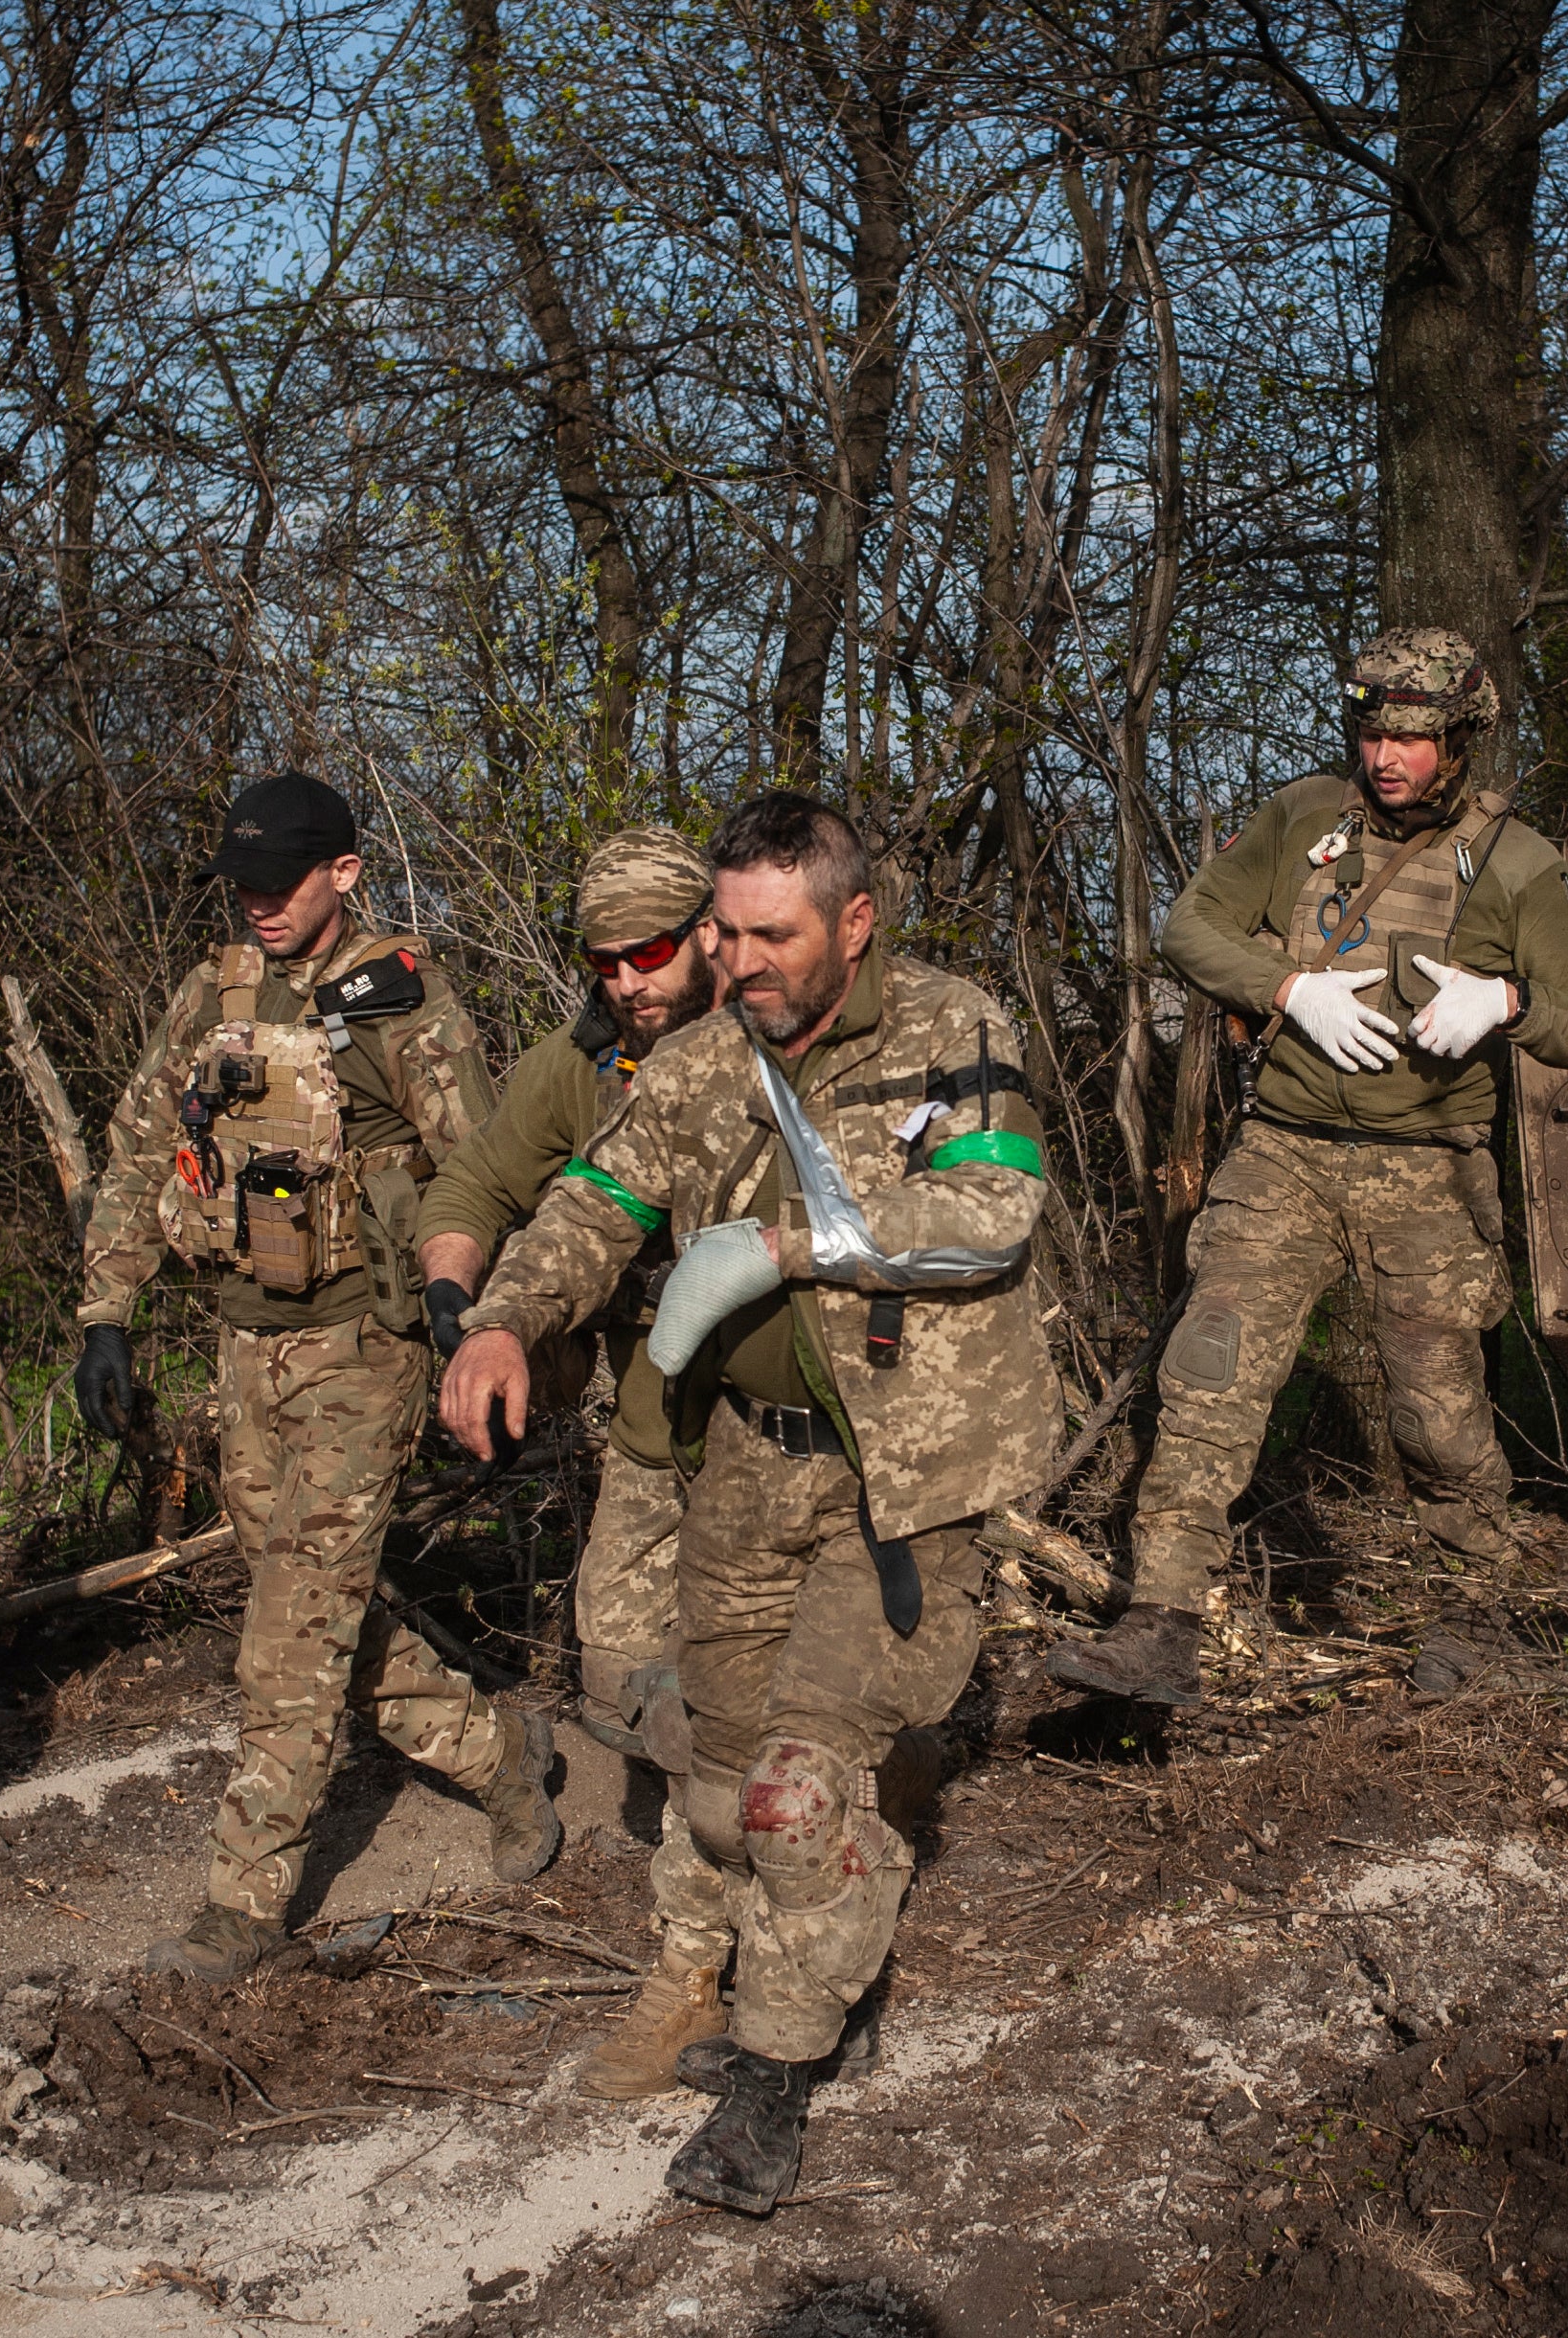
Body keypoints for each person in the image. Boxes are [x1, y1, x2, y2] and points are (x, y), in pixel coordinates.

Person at [438, 793, 1053, 2213]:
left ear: (854, 922)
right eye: (724, 930)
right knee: (716, 1792)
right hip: (748, 1466)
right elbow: (595, 1200)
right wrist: (501, 1320)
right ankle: (811, 1968)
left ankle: (775, 2078)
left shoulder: (954, 1032)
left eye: (770, 934)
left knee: (793, 1791)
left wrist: (784, 1245)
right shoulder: (704, 1061)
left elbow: (988, 1216)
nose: (740, 959)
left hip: (902, 1479)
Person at [1049, 626, 1568, 1710]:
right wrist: (1285, 988)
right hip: (1286, 1153)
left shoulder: (1516, 863)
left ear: (1461, 741)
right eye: (1371, 731)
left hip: (1428, 1171)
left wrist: (1507, 1004)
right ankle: (1159, 1619)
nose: (1387, 756)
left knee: (1440, 1420)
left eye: (1413, 737)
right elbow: (1190, 928)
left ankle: (1477, 1608)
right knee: (1207, 1380)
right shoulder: (1302, 817)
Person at [72, 768, 560, 1985]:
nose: (257, 905)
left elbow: (481, 1171)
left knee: (292, 1626)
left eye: (279, 883)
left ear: (342, 873)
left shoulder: (404, 1004)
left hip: (364, 1347)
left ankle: (242, 1902)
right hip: (246, 1343)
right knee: (312, 1598)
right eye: (240, 885)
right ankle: (501, 1752)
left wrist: (481, 1326)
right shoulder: (215, 989)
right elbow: (142, 1142)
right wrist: (105, 1310)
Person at [413, 825, 730, 2096]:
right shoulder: (584, 1065)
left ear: (709, 930)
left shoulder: (783, 1041)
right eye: (601, 960)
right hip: (659, 1397)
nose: (624, 979)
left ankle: (729, 1909)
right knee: (616, 1643)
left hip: (793, 1401)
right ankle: (723, 1798)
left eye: (647, 950)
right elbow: (476, 1186)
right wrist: (463, 1312)